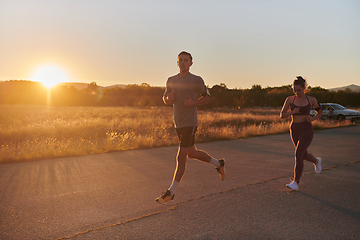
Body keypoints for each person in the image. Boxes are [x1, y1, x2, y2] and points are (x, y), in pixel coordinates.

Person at [156, 51, 226, 204]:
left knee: (181, 157)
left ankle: (171, 192)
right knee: (192, 153)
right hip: (178, 123)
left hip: (190, 122)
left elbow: (207, 97)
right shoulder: (171, 80)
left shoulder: (196, 80)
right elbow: (165, 98)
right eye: (180, 60)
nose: (182, 62)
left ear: (191, 63)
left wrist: (193, 103)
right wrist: (168, 99)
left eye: (185, 60)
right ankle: (218, 163)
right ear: (177, 62)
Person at [280, 76, 323, 191]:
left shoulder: (311, 99)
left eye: (298, 90)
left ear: (304, 88)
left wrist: (313, 119)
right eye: (294, 90)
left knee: (298, 153)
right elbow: (282, 115)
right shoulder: (290, 99)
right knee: (303, 155)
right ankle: (317, 161)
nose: (296, 92)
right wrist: (292, 112)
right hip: (294, 129)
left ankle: (296, 182)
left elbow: (320, 112)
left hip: (306, 129)